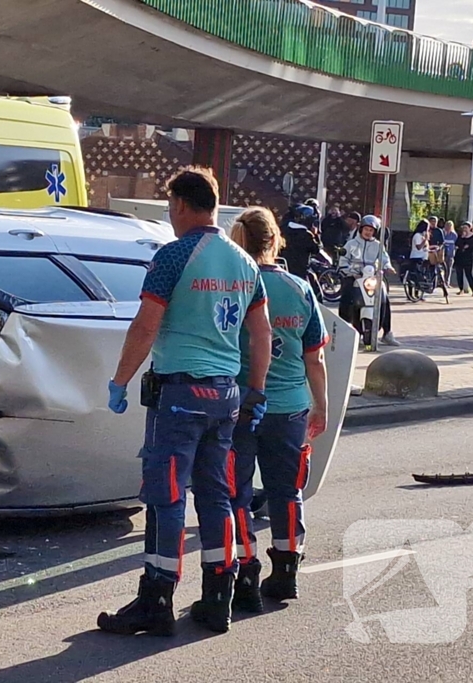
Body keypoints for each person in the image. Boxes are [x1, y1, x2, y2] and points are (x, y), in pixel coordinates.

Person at [98, 166, 273, 637]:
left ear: (178, 204)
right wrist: (255, 391)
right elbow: (261, 334)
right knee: (216, 495)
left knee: (166, 496)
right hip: (226, 395)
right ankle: (218, 598)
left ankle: (156, 599)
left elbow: (146, 325)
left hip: (179, 394)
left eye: (170, 207)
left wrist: (119, 381)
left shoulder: (174, 255)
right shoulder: (244, 262)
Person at [225, 207, 329, 612]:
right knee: (287, 491)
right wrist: (321, 405)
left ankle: (246, 573)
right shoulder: (299, 288)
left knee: (235, 493)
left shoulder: (235, 285)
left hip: (239, 405)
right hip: (290, 409)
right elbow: (315, 358)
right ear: (276, 241)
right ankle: (286, 572)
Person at [339, 215, 399, 346]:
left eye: (371, 230)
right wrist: (349, 271)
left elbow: (384, 259)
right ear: (361, 229)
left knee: (384, 299)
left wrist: (388, 267)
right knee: (346, 297)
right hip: (355, 276)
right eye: (366, 229)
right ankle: (343, 330)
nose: (368, 232)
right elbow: (343, 260)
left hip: (372, 278)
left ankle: (387, 333)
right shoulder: (351, 244)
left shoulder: (378, 245)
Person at [281, 204, 323, 280]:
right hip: (300, 272)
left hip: (284, 270)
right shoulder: (306, 235)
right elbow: (316, 249)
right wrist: (315, 235)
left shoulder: (284, 231)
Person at [454, 222, 473, 296]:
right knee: (459, 274)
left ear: (470, 228)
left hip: (468, 257)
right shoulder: (461, 236)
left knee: (469, 274)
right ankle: (461, 289)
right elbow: (456, 244)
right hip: (459, 257)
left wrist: (469, 246)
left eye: (466, 227)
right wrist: (462, 237)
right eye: (463, 227)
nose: (464, 229)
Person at [442, 220, 458, 286]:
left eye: (450, 226)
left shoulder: (454, 235)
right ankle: (441, 281)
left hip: (450, 254)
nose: (448, 227)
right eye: (447, 225)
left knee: (449, 268)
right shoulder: (442, 233)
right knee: (442, 268)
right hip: (442, 253)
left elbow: (456, 244)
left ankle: (447, 282)